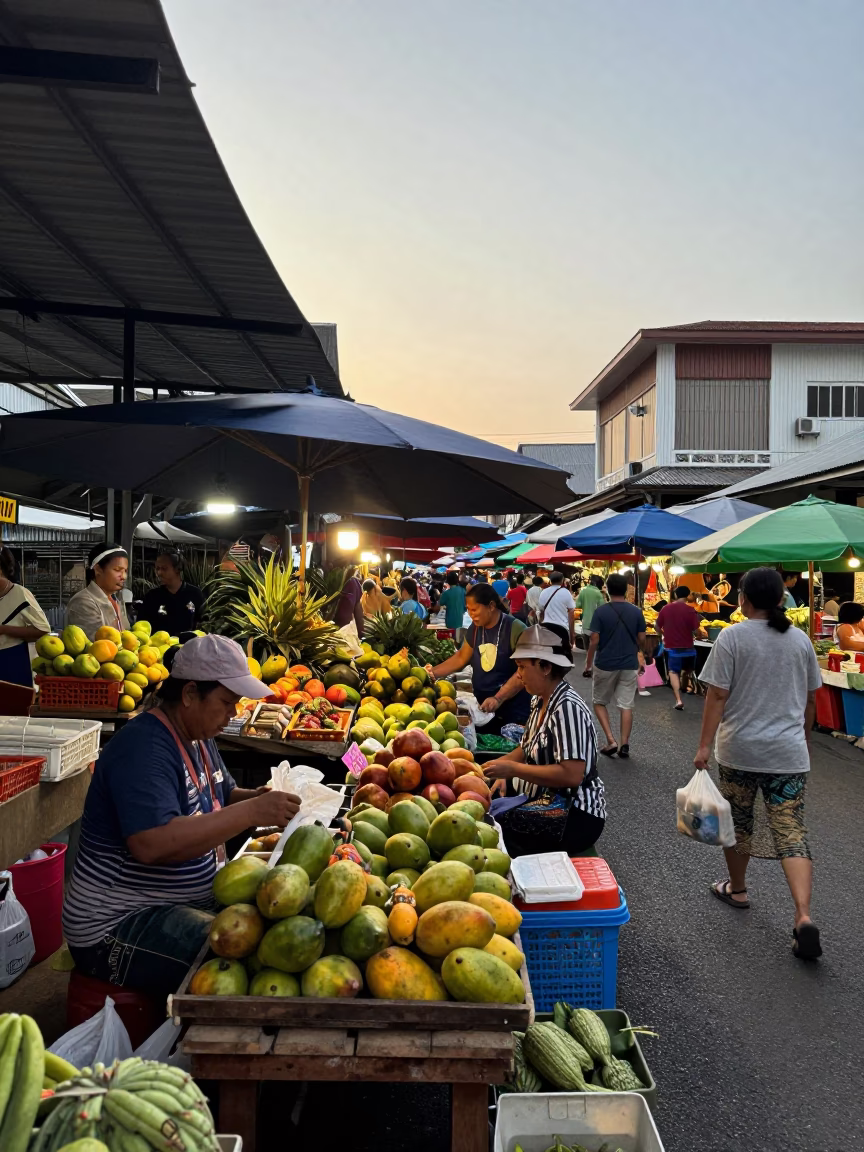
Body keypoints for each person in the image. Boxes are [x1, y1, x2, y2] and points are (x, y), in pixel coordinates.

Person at [62, 635, 301, 994]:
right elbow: (152, 843)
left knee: (271, 935)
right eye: (226, 703)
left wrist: (259, 799)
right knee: (248, 960)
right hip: (115, 924)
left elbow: (222, 797)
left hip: (178, 904)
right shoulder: (143, 747)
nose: (233, 714)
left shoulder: (199, 735)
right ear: (190, 694)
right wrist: (253, 810)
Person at [694, 567, 822, 960]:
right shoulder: (800, 641)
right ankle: (803, 915)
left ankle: (738, 888)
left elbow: (716, 697)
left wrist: (702, 747)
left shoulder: (732, 637)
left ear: (743, 599)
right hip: (788, 754)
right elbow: (811, 700)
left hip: (740, 751)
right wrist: (802, 740)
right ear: (782, 599)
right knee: (791, 831)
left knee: (739, 823)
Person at [483, 625, 605, 856]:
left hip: (576, 813)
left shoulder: (567, 708)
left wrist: (513, 770)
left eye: (522, 667)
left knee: (498, 833)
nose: (518, 675)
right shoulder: (539, 700)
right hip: (541, 798)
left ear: (546, 667)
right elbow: (526, 748)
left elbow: (571, 775)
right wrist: (496, 771)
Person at [427, 584, 530, 732]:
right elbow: (461, 658)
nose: (470, 614)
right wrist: (432, 673)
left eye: (474, 609)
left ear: (491, 606)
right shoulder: (475, 629)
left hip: (513, 710)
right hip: (485, 708)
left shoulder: (515, 628)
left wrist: (498, 698)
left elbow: (525, 671)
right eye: (468, 609)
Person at [584, 572, 646, 758]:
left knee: (599, 702)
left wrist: (588, 663)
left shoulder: (601, 611)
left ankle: (611, 740)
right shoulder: (636, 611)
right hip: (629, 663)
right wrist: (638, 651)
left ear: (607, 590)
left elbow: (594, 639)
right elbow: (642, 638)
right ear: (626, 589)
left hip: (605, 663)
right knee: (626, 704)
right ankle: (625, 743)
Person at [0, 547, 50, 685]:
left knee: (14, 704)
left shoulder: (20, 594)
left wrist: (4, 630)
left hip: (11, 661)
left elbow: (43, 629)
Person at [656, 586, 707, 710]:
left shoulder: (665, 609)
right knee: (688, 670)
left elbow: (656, 627)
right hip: (689, 648)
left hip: (672, 648)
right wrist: (698, 635)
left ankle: (678, 700)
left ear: (675, 595)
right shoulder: (691, 610)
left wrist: (663, 635)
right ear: (688, 596)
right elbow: (696, 631)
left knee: (673, 672)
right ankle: (686, 687)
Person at [66, 542, 130, 639]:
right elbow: (98, 645)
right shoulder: (83, 602)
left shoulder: (116, 600)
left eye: (125, 571)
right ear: (98, 569)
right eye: (117, 570)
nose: (124, 577)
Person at [140, 551, 203, 637]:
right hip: (159, 648)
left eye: (164, 568)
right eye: (157, 569)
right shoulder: (152, 597)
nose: (159, 573)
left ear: (178, 569)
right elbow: (141, 628)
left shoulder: (195, 594)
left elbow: (204, 622)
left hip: (189, 647)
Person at [536, 571, 577, 648]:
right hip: (562, 629)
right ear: (562, 580)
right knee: (563, 655)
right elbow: (571, 615)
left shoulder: (543, 592)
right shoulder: (566, 593)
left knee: (549, 654)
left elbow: (541, 612)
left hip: (547, 628)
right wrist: (572, 636)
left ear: (550, 581)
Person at [333, 565, 365, 634]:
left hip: (336, 624)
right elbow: (357, 609)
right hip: (347, 625)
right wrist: (361, 632)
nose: (360, 575)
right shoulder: (354, 582)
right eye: (358, 573)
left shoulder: (341, 582)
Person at [439, 571, 467, 642]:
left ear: (448, 581)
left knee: (451, 639)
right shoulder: (462, 590)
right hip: (460, 618)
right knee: (458, 638)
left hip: (450, 620)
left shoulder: (446, 593)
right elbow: (466, 603)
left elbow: (441, 603)